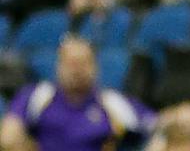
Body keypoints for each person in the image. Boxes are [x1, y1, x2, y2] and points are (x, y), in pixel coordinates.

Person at [0, 36, 152, 151]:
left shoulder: (113, 102)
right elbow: (8, 134)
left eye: (83, 63)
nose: (77, 70)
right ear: (58, 66)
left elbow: (158, 124)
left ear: (95, 67)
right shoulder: (37, 95)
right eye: (71, 63)